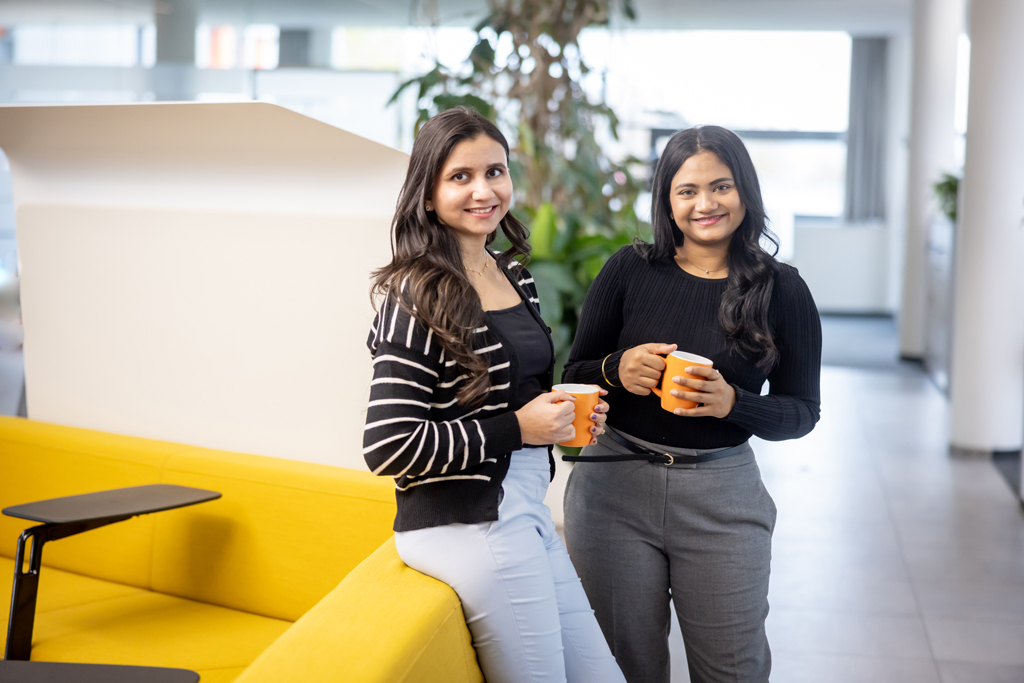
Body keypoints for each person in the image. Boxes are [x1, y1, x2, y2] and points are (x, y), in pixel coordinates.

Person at [363, 107, 626, 683]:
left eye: (495, 172)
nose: (484, 190)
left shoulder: (512, 273)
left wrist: (561, 413)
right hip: (467, 524)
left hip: (523, 508)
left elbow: (511, 389)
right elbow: (387, 446)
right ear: (428, 194)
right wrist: (519, 429)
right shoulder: (416, 294)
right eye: (460, 177)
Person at [560, 125, 822, 683]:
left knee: (733, 668)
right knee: (619, 665)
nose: (705, 204)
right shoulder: (629, 269)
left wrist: (734, 403)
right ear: (667, 200)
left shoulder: (784, 290)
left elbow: (802, 411)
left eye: (721, 186)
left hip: (722, 499)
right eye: (687, 191)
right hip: (614, 490)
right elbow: (575, 373)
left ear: (745, 191)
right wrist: (616, 369)